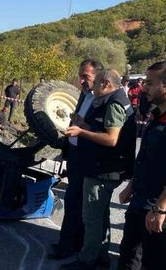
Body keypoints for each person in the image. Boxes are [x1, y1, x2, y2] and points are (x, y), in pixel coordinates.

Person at [62, 69, 135, 270]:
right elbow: (104, 130)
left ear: (105, 84)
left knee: (91, 217)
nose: (92, 88)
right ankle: (101, 256)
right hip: (104, 167)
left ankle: (87, 260)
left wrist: (81, 132)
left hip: (103, 169)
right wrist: (84, 123)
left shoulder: (114, 103)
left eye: (95, 84)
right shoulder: (114, 99)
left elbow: (111, 139)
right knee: (101, 215)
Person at [117, 61, 166, 270]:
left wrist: (160, 209)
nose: (144, 88)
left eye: (150, 83)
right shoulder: (157, 115)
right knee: (129, 258)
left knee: (155, 263)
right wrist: (131, 187)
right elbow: (146, 157)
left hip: (161, 209)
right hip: (140, 201)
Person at [48, 59, 104, 261]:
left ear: (98, 76)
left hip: (86, 159)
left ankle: (67, 247)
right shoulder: (85, 94)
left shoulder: (102, 99)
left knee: (75, 203)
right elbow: (77, 122)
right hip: (74, 155)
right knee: (75, 202)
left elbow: (102, 132)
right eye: (80, 76)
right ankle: (73, 243)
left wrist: (83, 127)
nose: (81, 81)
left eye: (85, 77)